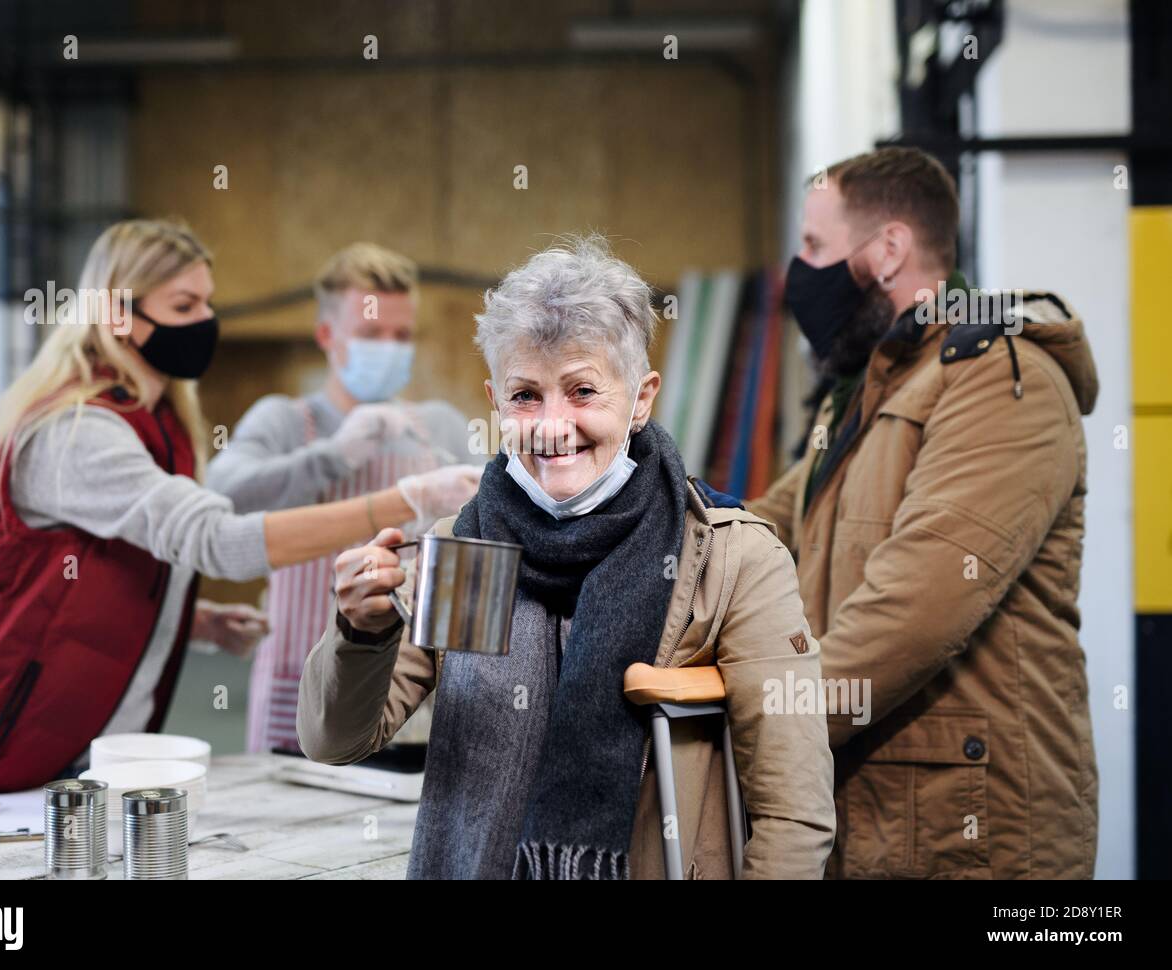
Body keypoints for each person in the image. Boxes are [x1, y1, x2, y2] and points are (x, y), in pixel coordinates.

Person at [298, 235, 836, 879]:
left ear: (640, 398)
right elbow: (336, 740)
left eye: (583, 391)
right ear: (496, 402)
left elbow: (794, 813)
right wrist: (361, 632)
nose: (552, 424)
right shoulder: (467, 547)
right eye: (527, 396)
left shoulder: (730, 558)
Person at [0, 219, 480, 797]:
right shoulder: (79, 429)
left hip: (73, 748)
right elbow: (217, 537)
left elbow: (95, 574)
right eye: (183, 306)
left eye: (207, 302)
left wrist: (190, 620)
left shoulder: (160, 426)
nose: (206, 321)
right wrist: (402, 498)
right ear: (118, 312)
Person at [747, 146, 1099, 878]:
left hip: (973, 835)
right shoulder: (875, 393)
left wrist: (761, 716)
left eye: (815, 246)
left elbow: (915, 607)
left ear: (889, 249)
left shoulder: (1004, 382)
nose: (800, 274)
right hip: (883, 817)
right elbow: (763, 531)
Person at [207, 243, 482, 754]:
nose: (390, 346)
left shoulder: (437, 426)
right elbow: (222, 493)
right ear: (327, 336)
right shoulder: (286, 422)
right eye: (372, 334)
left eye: (401, 336)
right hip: (300, 686)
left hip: (403, 692)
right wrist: (333, 456)